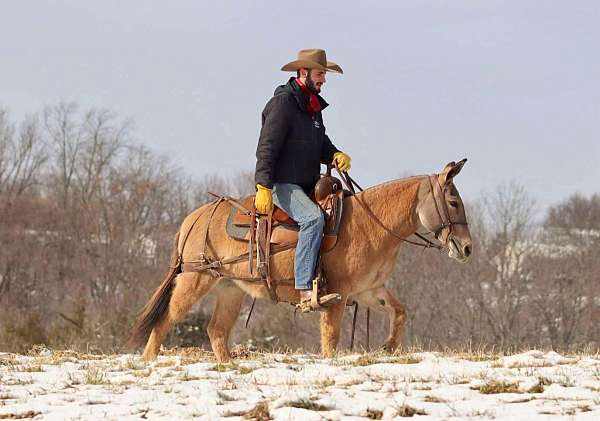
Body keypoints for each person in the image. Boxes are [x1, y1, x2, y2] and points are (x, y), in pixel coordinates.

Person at [254, 48, 351, 312]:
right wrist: (263, 186)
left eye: (324, 75)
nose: (324, 80)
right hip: (283, 185)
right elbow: (267, 147)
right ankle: (305, 289)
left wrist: (334, 154)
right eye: (320, 74)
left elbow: (321, 144)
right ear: (303, 72)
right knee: (313, 219)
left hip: (307, 184)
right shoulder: (283, 104)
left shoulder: (313, 107)